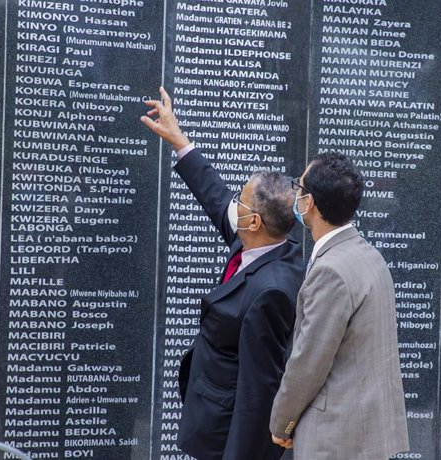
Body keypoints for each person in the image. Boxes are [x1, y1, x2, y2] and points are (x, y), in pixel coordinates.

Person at [141, 87, 304, 460]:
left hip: (224, 433)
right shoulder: (262, 242)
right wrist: (177, 138)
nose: (234, 204)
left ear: (254, 220)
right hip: (209, 410)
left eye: (241, 201)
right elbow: (215, 196)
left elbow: (258, 390)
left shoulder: (272, 292)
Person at [269, 153, 410, 459]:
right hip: (366, 432)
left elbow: (308, 362)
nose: (294, 193)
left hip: (336, 438)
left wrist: (281, 423)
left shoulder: (330, 270)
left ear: (311, 203)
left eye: (299, 187)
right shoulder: (369, 255)